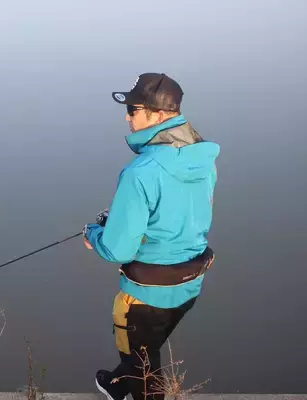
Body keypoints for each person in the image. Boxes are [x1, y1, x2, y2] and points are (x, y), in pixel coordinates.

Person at [82, 72, 220, 400]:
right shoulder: (202, 159)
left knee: (144, 371)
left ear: (157, 115)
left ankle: (133, 384)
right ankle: (117, 385)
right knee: (147, 347)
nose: (127, 117)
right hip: (189, 286)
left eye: (133, 110)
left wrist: (94, 233)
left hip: (144, 298)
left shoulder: (140, 173)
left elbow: (117, 250)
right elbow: (180, 214)